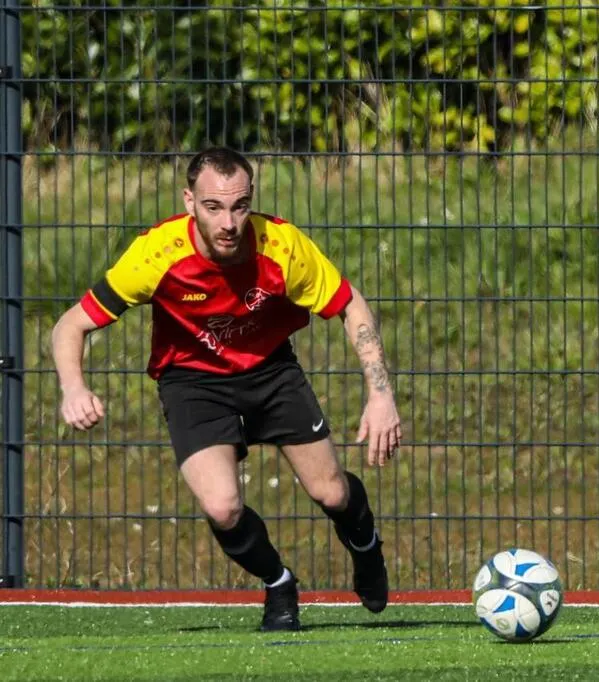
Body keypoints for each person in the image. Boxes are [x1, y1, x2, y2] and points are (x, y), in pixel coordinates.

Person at [51, 147, 401, 632]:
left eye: (239, 206)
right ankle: (279, 583)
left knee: (332, 492)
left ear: (251, 200)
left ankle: (365, 547)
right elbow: (70, 326)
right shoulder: (157, 254)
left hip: (270, 370)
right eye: (214, 207)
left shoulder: (281, 246)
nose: (229, 222)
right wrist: (73, 387)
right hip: (191, 380)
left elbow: (350, 306)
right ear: (189, 201)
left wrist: (380, 395)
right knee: (222, 506)